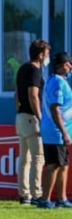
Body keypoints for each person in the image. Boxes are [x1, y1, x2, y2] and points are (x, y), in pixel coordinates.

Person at [15, 39, 49, 206]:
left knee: (25, 157)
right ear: (41, 55)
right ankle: (36, 194)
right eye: (47, 54)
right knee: (37, 157)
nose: (47, 58)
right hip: (31, 117)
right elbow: (33, 95)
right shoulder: (35, 71)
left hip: (21, 116)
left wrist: (19, 110)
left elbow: (16, 94)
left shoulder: (22, 69)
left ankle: (24, 194)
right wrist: (40, 117)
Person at [37, 52, 72, 208]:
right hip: (56, 132)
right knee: (53, 165)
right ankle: (45, 199)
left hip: (58, 131)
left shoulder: (57, 80)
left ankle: (62, 198)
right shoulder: (57, 82)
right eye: (70, 64)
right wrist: (64, 132)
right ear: (64, 65)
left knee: (63, 165)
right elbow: (55, 109)